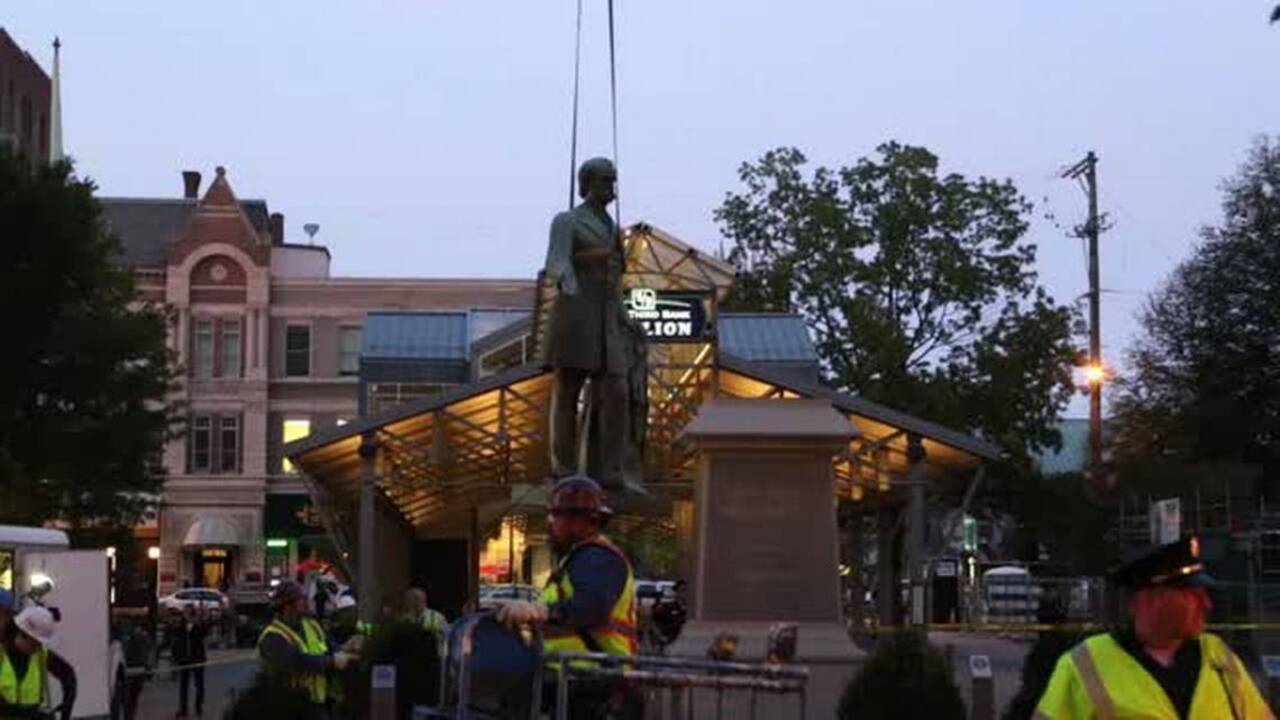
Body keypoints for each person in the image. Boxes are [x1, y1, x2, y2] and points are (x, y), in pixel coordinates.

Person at [1036, 536, 1273, 719]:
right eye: (1193, 595)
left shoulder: (1220, 658)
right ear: (1153, 599)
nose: (1207, 604)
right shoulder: (1082, 666)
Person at [498, 474, 637, 718]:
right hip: (575, 680)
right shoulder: (577, 562)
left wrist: (542, 612)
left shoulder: (596, 558)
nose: (550, 525)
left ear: (582, 521)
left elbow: (591, 608)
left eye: (555, 516)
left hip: (593, 684)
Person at [258, 580, 355, 712]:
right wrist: (331, 661)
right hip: (286, 708)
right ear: (288, 606)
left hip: (317, 704)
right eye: (301, 599)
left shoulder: (312, 625)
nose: (306, 601)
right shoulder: (272, 636)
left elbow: (330, 646)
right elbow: (296, 661)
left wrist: (344, 650)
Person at [0, 606, 76, 720]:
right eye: (35, 643)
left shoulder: (40, 654)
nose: (38, 648)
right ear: (22, 634)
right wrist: (33, 715)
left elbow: (68, 675)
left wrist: (66, 711)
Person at [172, 605, 208, 718]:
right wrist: (176, 657)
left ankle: (198, 706)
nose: (185, 615)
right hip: (184, 659)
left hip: (197, 658)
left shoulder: (198, 625)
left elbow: (205, 632)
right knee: (183, 685)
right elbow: (176, 641)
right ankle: (183, 709)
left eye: (187, 613)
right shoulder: (180, 626)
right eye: (184, 613)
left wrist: (201, 621)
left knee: (199, 684)